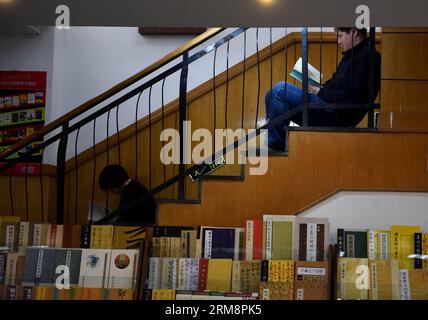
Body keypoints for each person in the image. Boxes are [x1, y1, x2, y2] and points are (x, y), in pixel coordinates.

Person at [265, 27, 381, 151]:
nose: (338, 41)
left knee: (280, 90)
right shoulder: (352, 55)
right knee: (270, 95)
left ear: (354, 32)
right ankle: (277, 144)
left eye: (340, 36)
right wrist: (320, 88)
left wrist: (321, 91)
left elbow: (352, 98)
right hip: (330, 106)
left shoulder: (367, 57)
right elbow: (336, 83)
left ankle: (275, 145)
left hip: (338, 113)